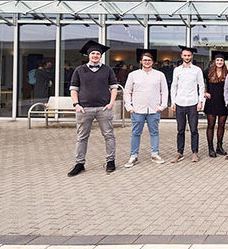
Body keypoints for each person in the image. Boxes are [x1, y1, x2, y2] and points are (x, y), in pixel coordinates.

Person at [67, 41, 118, 176]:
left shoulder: (107, 69)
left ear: (101, 55)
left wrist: (111, 103)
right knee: (82, 137)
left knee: (109, 135)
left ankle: (110, 161)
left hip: (103, 108)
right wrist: (76, 105)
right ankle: (79, 163)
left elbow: (114, 88)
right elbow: (73, 89)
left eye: (98, 53)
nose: (95, 55)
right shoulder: (79, 70)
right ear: (88, 55)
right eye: (93, 53)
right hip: (84, 109)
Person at [123, 48, 169, 167]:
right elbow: (127, 91)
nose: (147, 62)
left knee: (154, 132)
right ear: (141, 61)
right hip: (138, 109)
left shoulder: (159, 75)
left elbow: (164, 91)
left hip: (154, 110)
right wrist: (129, 107)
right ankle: (133, 156)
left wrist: (162, 106)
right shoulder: (133, 75)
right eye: (145, 60)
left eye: (149, 60)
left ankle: (155, 154)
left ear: (153, 62)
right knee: (135, 133)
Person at [170, 45, 205, 163]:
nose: (187, 57)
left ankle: (195, 152)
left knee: (194, 129)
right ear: (181, 56)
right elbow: (173, 86)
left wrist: (201, 102)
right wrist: (173, 101)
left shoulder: (197, 70)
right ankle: (180, 152)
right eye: (185, 55)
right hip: (180, 103)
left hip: (193, 103)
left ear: (192, 56)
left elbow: (201, 86)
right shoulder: (177, 70)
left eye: (189, 55)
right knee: (180, 129)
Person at [204, 50, 228, 157]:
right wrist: (204, 92)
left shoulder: (227, 73)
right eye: (218, 60)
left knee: (221, 125)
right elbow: (198, 82)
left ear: (224, 62)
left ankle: (219, 146)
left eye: (221, 60)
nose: (219, 62)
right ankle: (210, 148)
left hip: (223, 102)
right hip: (211, 101)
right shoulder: (207, 72)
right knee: (211, 125)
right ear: (214, 61)